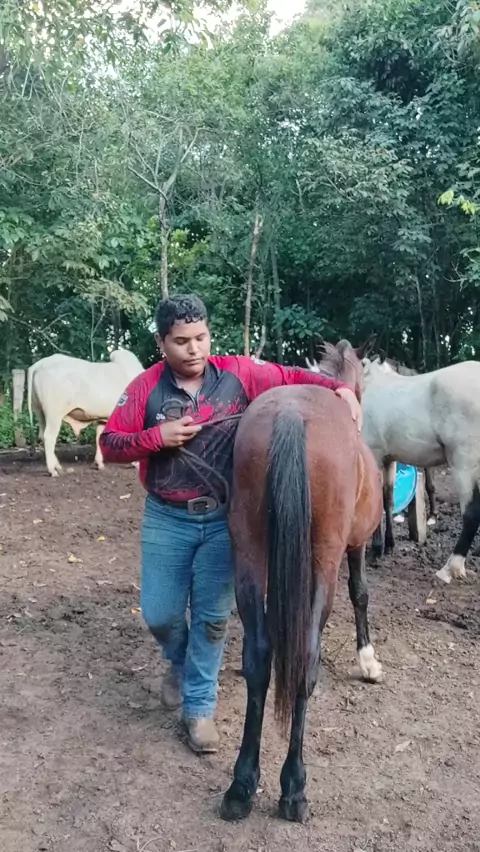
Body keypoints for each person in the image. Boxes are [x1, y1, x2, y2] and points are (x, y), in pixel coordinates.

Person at [100, 293, 361, 754]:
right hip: (167, 517)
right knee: (159, 614)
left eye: (201, 338)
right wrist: (156, 437)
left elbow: (290, 376)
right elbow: (110, 442)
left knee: (213, 619)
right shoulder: (144, 388)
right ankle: (179, 664)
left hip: (225, 519)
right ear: (162, 343)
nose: (194, 349)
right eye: (181, 341)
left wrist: (338, 389)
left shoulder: (238, 373)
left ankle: (199, 708)